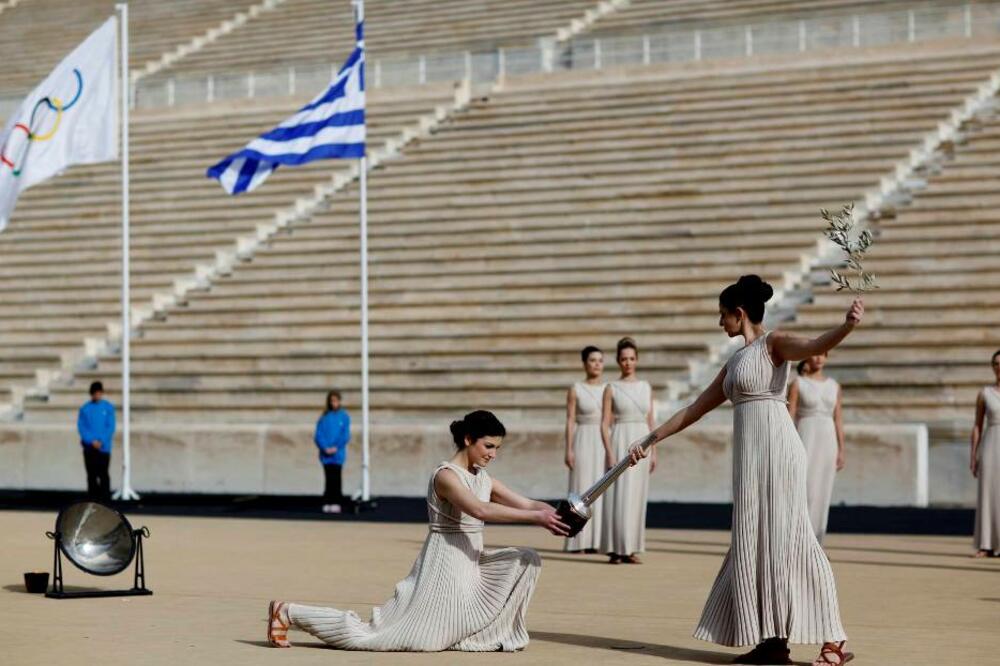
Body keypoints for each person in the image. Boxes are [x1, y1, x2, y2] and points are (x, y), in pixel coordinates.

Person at [628, 275, 862, 666]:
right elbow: (695, 408)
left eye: (723, 316)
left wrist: (847, 326)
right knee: (755, 542)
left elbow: (815, 345)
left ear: (739, 313)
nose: (720, 324)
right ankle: (772, 641)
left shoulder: (774, 344)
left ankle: (833, 640)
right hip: (750, 460)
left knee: (794, 540)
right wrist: (651, 438)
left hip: (779, 451)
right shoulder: (735, 361)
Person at [266, 410, 569, 651]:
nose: (493, 454)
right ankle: (289, 612)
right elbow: (480, 510)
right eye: (488, 446)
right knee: (375, 636)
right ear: (467, 439)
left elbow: (527, 503)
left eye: (497, 448)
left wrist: (556, 513)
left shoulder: (482, 476)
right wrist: (536, 519)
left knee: (527, 559)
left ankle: (489, 633)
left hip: (469, 564)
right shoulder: (446, 477)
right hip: (443, 567)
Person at [600, 337, 656, 564]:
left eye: (632, 358)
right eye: (624, 359)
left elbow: (652, 422)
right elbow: (604, 423)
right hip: (619, 440)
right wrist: (610, 452)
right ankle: (615, 549)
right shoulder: (611, 388)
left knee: (636, 497)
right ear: (618, 361)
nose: (628, 363)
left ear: (637, 360)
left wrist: (655, 451)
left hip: (643, 441)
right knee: (618, 496)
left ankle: (631, 548)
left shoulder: (646, 387)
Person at [787, 352, 845, 543]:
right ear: (806, 358)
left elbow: (838, 418)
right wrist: (788, 446)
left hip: (828, 441)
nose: (819, 359)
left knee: (823, 492)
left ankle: (817, 544)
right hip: (806, 437)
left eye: (823, 355)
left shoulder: (834, 385)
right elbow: (789, 418)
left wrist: (841, 449)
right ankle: (800, 542)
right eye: (815, 355)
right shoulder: (798, 384)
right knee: (806, 491)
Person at [564, 345, 607, 554]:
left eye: (600, 360)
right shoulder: (576, 389)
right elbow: (570, 419)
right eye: (592, 360)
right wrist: (569, 449)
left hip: (602, 440)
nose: (597, 364)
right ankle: (576, 540)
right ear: (584, 364)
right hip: (582, 438)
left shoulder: (609, 388)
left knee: (600, 488)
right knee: (581, 489)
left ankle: (596, 541)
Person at [971, 350, 1000, 558]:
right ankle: (986, 544)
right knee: (988, 493)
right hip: (991, 444)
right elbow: (977, 426)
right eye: (996, 363)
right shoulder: (984, 393)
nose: (999, 367)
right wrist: (973, 455)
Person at [76, 381, 116, 502]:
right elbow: (81, 427)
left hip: (104, 448)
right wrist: (91, 441)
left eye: (99, 393)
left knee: (103, 474)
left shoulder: (108, 407)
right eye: (95, 393)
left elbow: (110, 426)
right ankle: (93, 500)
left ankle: (105, 501)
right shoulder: (85, 409)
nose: (97, 395)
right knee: (91, 475)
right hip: (89, 448)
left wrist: (101, 441)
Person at [314, 390, 351, 514]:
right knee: (328, 478)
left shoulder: (344, 416)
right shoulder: (323, 417)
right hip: (326, 454)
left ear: (339, 401)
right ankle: (327, 501)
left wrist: (336, 447)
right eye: (332, 401)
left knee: (336, 477)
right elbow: (318, 435)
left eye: (336, 401)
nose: (334, 403)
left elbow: (345, 435)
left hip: (337, 454)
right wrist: (325, 447)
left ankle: (336, 501)